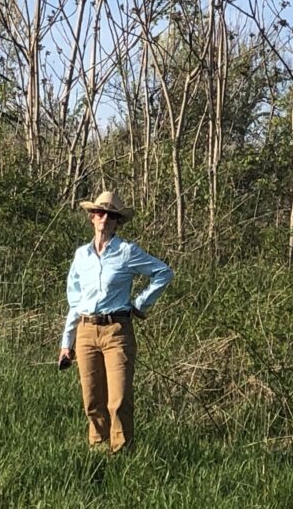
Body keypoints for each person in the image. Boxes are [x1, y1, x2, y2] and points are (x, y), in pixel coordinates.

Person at [58, 190, 173, 453]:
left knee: (118, 400)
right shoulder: (81, 256)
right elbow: (74, 301)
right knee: (92, 399)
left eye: (111, 215)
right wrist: (67, 343)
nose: (104, 219)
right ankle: (97, 450)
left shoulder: (127, 252)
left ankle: (121, 453)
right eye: (100, 213)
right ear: (91, 217)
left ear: (117, 222)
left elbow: (163, 272)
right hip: (86, 331)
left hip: (117, 330)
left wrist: (141, 305)